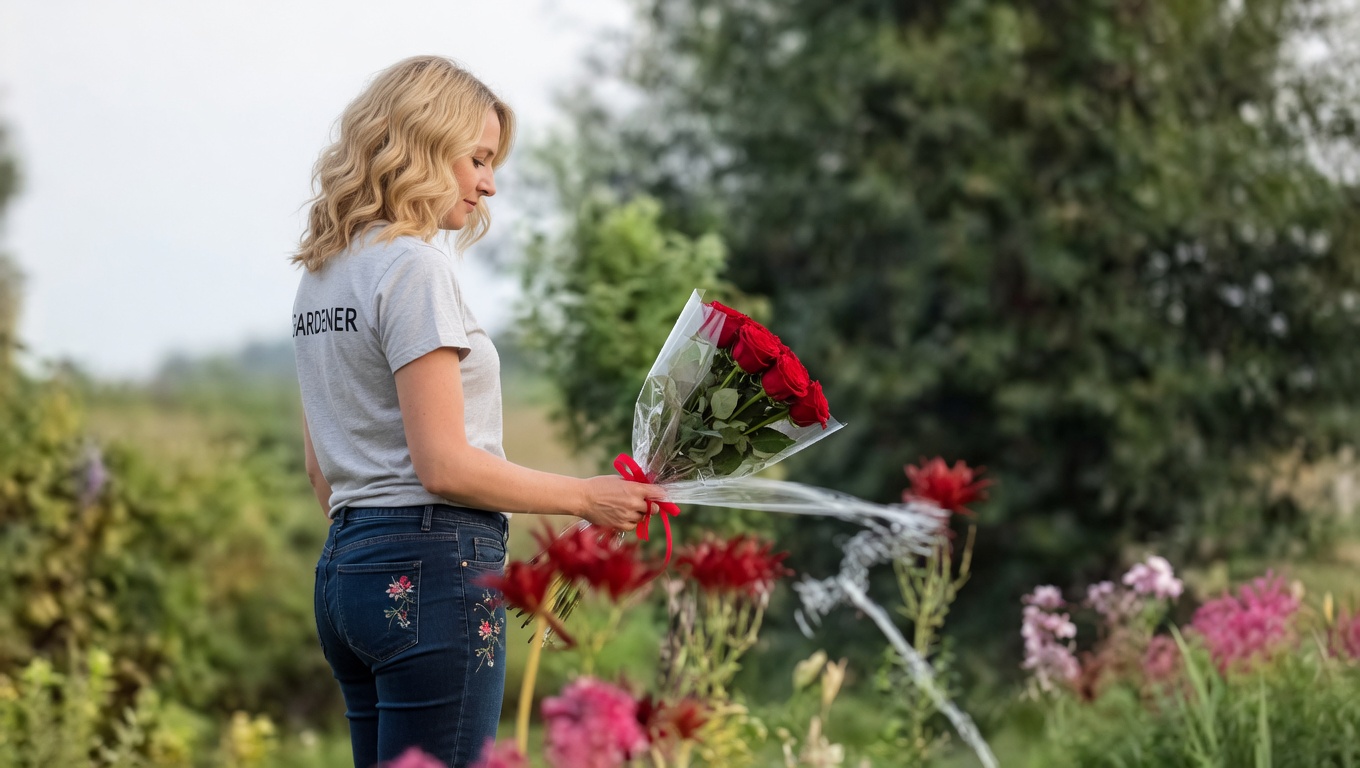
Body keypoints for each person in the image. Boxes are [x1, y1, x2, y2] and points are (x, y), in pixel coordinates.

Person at [290, 55, 663, 768]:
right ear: (425, 144)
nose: (490, 183)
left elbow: (321, 470)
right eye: (479, 159)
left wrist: (377, 548)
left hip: (346, 575)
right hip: (431, 573)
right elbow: (444, 465)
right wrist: (586, 497)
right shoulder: (414, 268)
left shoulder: (322, 275)